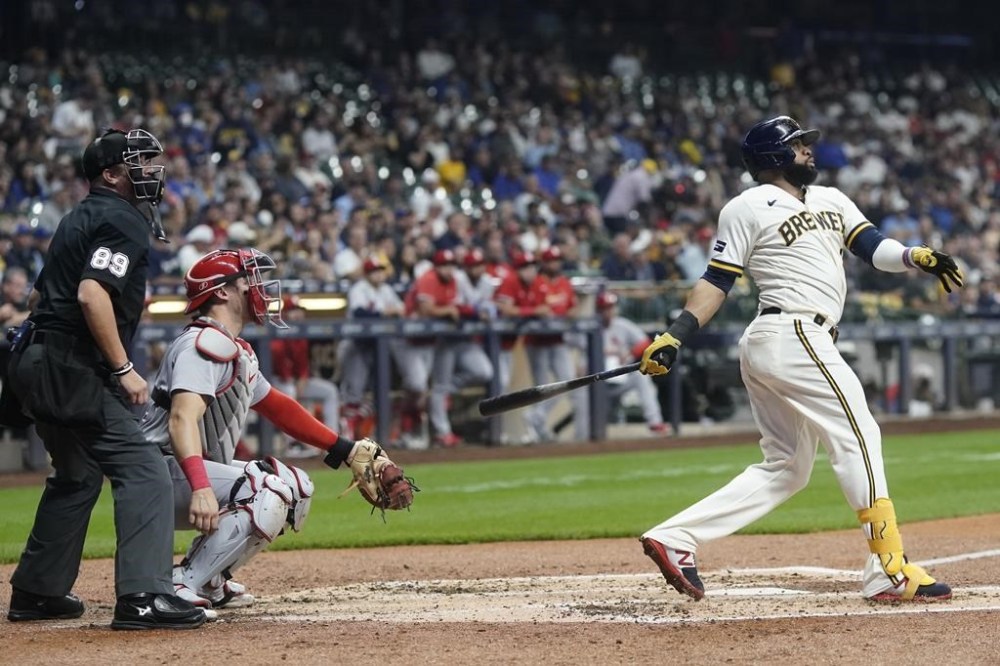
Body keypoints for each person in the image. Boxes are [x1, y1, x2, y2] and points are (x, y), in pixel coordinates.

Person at [636, 116, 964, 603]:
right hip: (793, 330)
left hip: (790, 341)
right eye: (797, 145)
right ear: (772, 157)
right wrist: (674, 334)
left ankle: (675, 537)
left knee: (788, 468)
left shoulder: (831, 199)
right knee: (860, 434)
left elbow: (872, 248)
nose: (809, 150)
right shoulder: (745, 206)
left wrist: (914, 255)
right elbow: (717, 280)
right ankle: (889, 567)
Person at [3, 128, 208, 629]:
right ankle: (144, 596)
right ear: (112, 175)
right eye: (141, 163)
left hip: (33, 360)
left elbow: (36, 299)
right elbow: (92, 295)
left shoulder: (77, 216)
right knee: (145, 470)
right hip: (69, 366)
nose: (154, 171)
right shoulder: (122, 217)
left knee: (77, 473)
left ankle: (37, 590)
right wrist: (123, 368)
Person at [138, 248, 403, 609]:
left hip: (178, 471)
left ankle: (211, 579)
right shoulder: (202, 345)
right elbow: (181, 418)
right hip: (157, 475)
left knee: (296, 486)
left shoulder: (234, 348)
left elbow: (277, 406)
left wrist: (342, 448)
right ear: (221, 292)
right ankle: (183, 585)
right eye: (248, 279)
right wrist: (200, 486)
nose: (258, 287)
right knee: (266, 490)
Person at [572, 291, 667, 439]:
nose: (608, 312)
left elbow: (645, 342)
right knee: (581, 393)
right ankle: (581, 438)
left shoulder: (622, 325)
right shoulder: (590, 327)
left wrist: (628, 353)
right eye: (604, 308)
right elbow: (574, 344)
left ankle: (655, 423)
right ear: (598, 310)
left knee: (641, 377)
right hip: (597, 383)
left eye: (611, 307)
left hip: (620, 379)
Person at [269, 295, 340, 458]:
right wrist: (293, 380)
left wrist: (302, 378)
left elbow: (302, 365)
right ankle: (292, 445)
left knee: (330, 391)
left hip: (295, 381)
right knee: (290, 392)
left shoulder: (301, 333)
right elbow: (278, 360)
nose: (297, 315)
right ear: (285, 314)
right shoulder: (277, 329)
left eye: (299, 311)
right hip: (275, 381)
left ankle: (332, 443)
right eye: (293, 311)